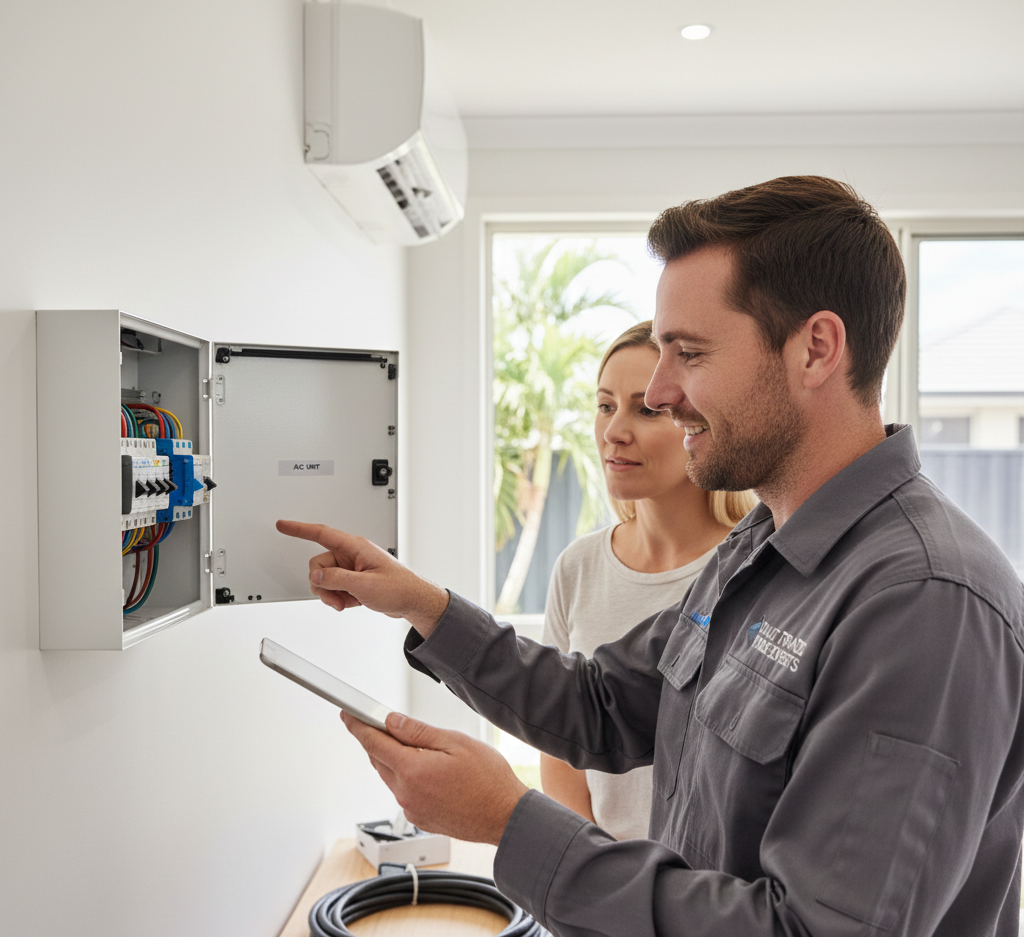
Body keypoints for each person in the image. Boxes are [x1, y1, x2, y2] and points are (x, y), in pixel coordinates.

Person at [277, 175, 1024, 937]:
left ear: (817, 349)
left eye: (689, 354)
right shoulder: (759, 544)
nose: (661, 393)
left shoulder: (930, 603)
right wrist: (422, 605)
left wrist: (509, 819)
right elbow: (605, 701)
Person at [540, 320, 755, 839]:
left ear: (697, 420)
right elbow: (560, 746)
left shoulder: (753, 571)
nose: (614, 430)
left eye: (646, 409)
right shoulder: (578, 567)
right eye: (605, 405)